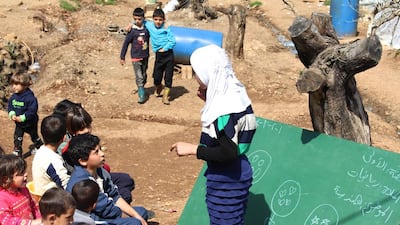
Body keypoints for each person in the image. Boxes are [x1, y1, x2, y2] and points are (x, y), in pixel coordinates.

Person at [170, 44, 257, 225]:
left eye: (197, 73)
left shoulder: (222, 112)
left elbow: (227, 151)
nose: (195, 77)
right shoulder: (236, 95)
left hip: (227, 180)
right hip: (239, 171)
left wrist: (194, 149)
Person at [56, 99, 135, 204]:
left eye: (88, 126)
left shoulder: (88, 140)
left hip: (99, 175)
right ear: (71, 131)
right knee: (124, 194)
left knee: (126, 180)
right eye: (81, 128)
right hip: (87, 185)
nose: (87, 130)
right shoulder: (69, 149)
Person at [66, 133, 148, 225]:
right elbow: (108, 210)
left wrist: (137, 216)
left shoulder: (99, 171)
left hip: (105, 214)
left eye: (100, 149)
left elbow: (115, 196)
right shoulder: (83, 183)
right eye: (96, 152)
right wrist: (135, 219)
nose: (102, 154)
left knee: (141, 212)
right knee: (135, 222)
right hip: (92, 220)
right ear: (83, 161)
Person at [128, 8, 176, 104]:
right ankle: (158, 86)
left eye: (160, 20)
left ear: (163, 20)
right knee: (156, 77)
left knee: (168, 76)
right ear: (153, 19)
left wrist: (165, 48)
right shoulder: (149, 25)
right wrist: (131, 23)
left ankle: (165, 96)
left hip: (168, 55)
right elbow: (140, 20)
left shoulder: (166, 28)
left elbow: (173, 41)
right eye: (156, 19)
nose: (158, 22)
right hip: (159, 55)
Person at [32, 114, 70, 196]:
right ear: (63, 138)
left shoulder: (41, 151)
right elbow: (66, 185)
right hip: (52, 202)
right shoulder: (53, 160)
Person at [7, 72, 43, 158]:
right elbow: (10, 106)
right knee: (17, 137)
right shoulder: (14, 97)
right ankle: (17, 151)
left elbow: (32, 110)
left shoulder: (30, 98)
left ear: (25, 85)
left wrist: (23, 117)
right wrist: (12, 114)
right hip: (19, 124)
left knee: (34, 136)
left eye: (16, 84)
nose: (14, 86)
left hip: (30, 122)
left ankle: (40, 146)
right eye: (13, 84)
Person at [0, 154, 42, 225]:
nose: (26, 174)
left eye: (24, 171)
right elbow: (6, 220)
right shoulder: (2, 198)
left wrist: (40, 219)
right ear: (6, 179)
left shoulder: (24, 190)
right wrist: (30, 223)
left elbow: (33, 206)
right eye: (21, 173)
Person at [120, 7, 150, 104]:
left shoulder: (147, 29)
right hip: (135, 57)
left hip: (145, 56)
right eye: (135, 19)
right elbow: (125, 44)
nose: (137, 21)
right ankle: (141, 93)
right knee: (139, 76)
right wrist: (122, 57)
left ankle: (142, 85)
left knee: (144, 74)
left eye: (139, 19)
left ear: (143, 18)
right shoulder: (132, 31)